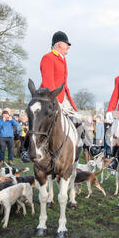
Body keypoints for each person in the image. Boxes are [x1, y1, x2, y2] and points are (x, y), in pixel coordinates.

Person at [19, 30, 90, 163]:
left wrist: (71, 104)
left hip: (63, 97)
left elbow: (64, 84)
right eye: (66, 44)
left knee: (79, 120)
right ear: (58, 45)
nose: (68, 47)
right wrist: (54, 100)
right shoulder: (48, 57)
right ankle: (26, 149)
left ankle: (89, 147)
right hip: (49, 97)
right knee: (37, 121)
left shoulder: (62, 59)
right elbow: (48, 81)